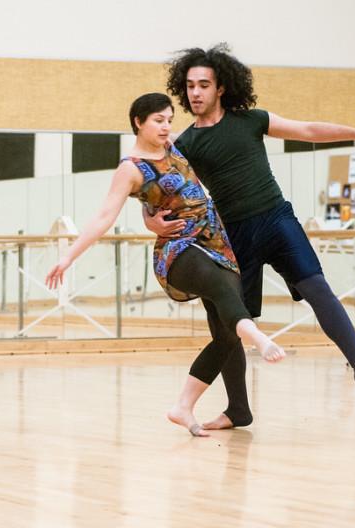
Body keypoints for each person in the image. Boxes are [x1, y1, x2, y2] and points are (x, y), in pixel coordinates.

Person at [144, 44, 355, 431]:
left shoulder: (251, 120)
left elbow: (306, 129)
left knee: (317, 288)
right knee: (226, 327)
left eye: (203, 84)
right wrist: (151, 221)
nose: (195, 93)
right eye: (189, 85)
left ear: (221, 87)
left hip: (277, 219)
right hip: (231, 236)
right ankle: (238, 410)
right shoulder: (185, 144)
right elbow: (157, 192)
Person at [45, 93, 286, 437]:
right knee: (222, 291)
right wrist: (68, 256)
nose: (166, 126)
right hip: (177, 249)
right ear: (138, 123)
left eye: (169, 119)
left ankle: (192, 408)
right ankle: (259, 337)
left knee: (224, 335)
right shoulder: (130, 168)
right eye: (158, 120)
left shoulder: (176, 146)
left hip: (214, 240)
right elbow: (104, 216)